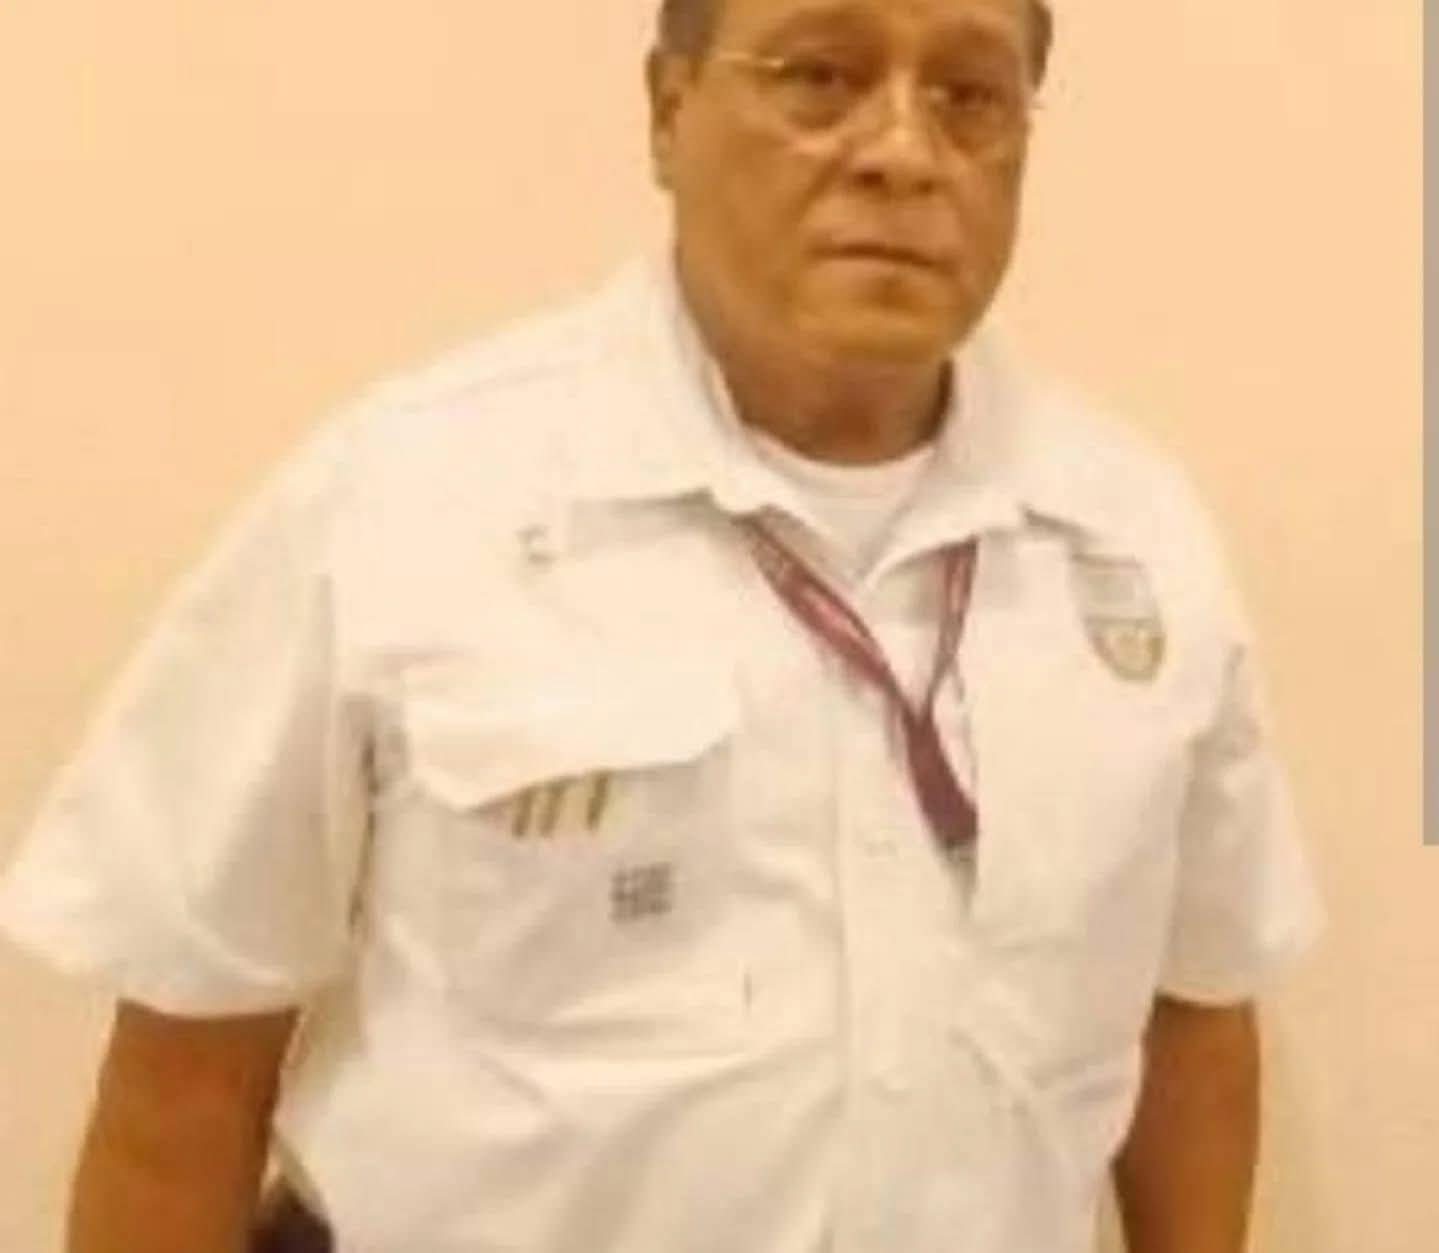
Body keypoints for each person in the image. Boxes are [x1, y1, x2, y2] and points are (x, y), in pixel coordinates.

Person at [0, 1, 1324, 1251]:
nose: (904, 154)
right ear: (667, 109)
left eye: (971, 95)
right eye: (821, 76)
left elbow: (1194, 1014)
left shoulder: (1132, 542)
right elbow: (188, 1069)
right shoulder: (405, 506)